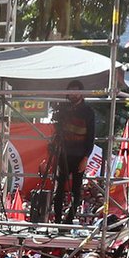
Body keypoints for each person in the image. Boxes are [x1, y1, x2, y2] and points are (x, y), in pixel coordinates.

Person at [52, 79, 95, 224]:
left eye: (76, 91)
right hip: (62, 153)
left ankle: (69, 219)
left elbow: (91, 137)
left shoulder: (88, 111)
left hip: (79, 155)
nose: (73, 95)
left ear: (81, 94)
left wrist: (85, 157)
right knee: (59, 189)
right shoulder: (63, 109)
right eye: (71, 91)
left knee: (76, 190)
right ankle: (57, 219)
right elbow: (56, 131)